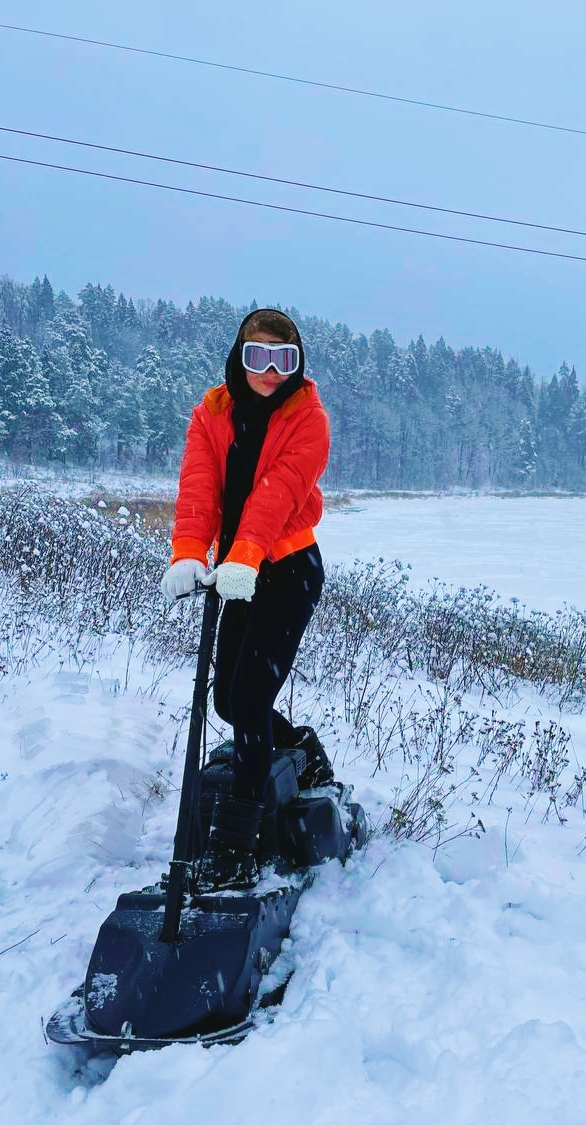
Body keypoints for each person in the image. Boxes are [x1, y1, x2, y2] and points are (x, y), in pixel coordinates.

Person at [161, 308, 334, 889]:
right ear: (239, 356)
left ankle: (236, 844)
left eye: (282, 360)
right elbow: (199, 484)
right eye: (257, 357)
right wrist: (189, 548)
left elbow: (280, 492)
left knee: (251, 692)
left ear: (297, 363)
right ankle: (299, 748)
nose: (269, 372)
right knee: (230, 706)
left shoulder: (308, 418)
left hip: (286, 568)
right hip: (236, 570)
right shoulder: (212, 413)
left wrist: (246, 553)